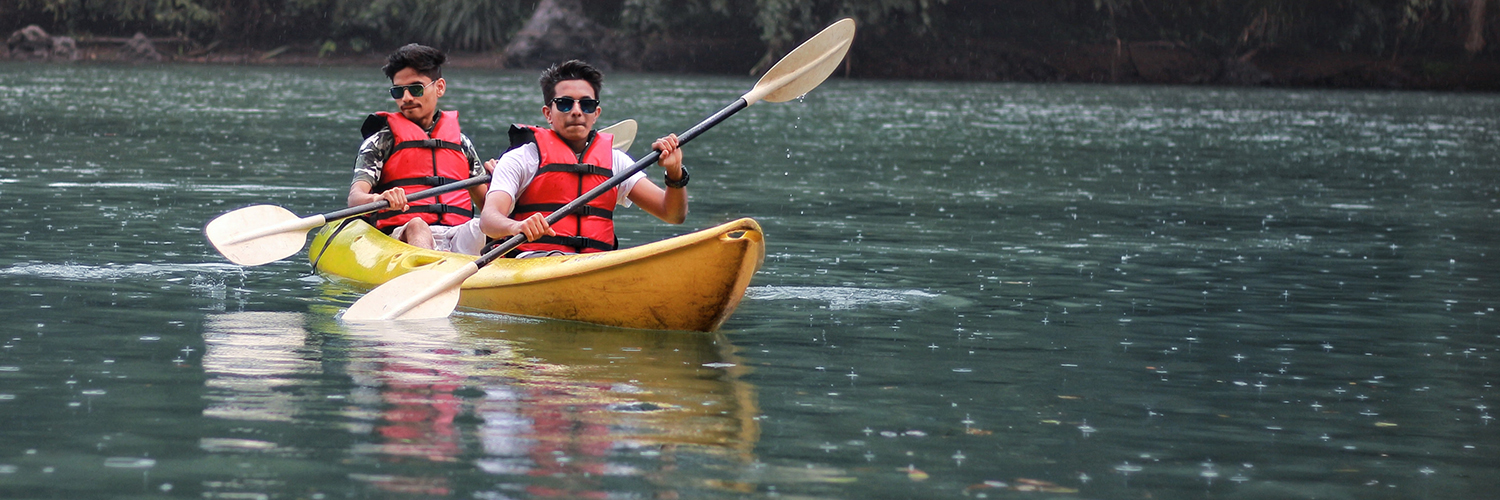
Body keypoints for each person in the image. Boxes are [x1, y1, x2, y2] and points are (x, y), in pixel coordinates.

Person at [480, 60, 688, 258]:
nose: (577, 112)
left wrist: (675, 173)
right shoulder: (521, 159)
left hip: (596, 263)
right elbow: (489, 219)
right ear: (548, 113)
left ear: (596, 113)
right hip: (533, 262)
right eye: (564, 104)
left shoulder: (617, 162)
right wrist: (516, 226)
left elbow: (672, 214)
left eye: (586, 105)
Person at [348, 43, 487, 255]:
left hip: (457, 233)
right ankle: (426, 270)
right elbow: (355, 198)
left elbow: (487, 205)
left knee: (483, 226)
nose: (406, 98)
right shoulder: (381, 142)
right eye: (398, 91)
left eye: (415, 89)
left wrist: (501, 183)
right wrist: (379, 199)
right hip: (403, 237)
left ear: (439, 87)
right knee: (417, 225)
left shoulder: (461, 144)